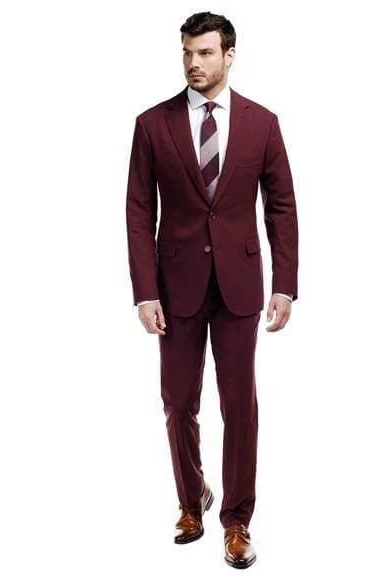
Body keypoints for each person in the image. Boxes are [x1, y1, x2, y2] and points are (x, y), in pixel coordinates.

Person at [125, 11, 298, 569]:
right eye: (187, 52)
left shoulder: (263, 123)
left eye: (204, 53)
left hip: (240, 288)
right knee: (178, 401)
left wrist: (285, 285)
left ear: (229, 55)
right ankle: (191, 498)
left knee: (239, 405)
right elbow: (138, 213)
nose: (193, 63)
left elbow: (281, 207)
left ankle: (237, 519)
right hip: (174, 288)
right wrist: (144, 291)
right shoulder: (152, 125)